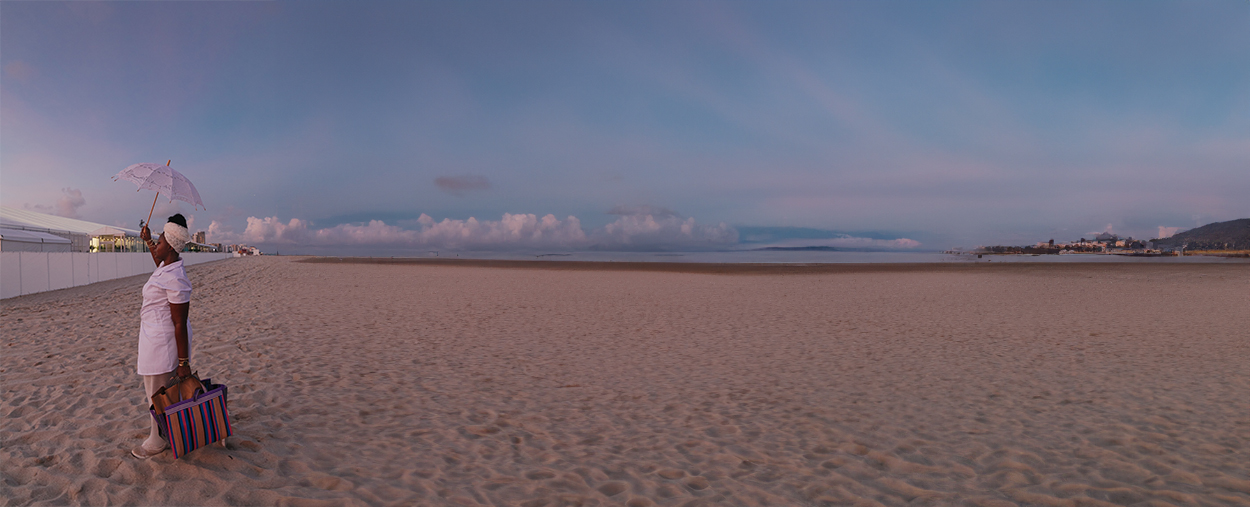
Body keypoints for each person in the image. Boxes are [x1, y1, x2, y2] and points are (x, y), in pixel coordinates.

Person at [131, 214, 194, 459]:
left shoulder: (177, 278)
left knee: (157, 392)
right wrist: (148, 241)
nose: (155, 246)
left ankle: (157, 441)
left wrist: (183, 363)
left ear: (170, 246)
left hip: (163, 343)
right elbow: (159, 261)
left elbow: (179, 322)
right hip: (153, 338)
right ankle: (164, 434)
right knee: (156, 390)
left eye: (158, 242)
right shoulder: (167, 266)